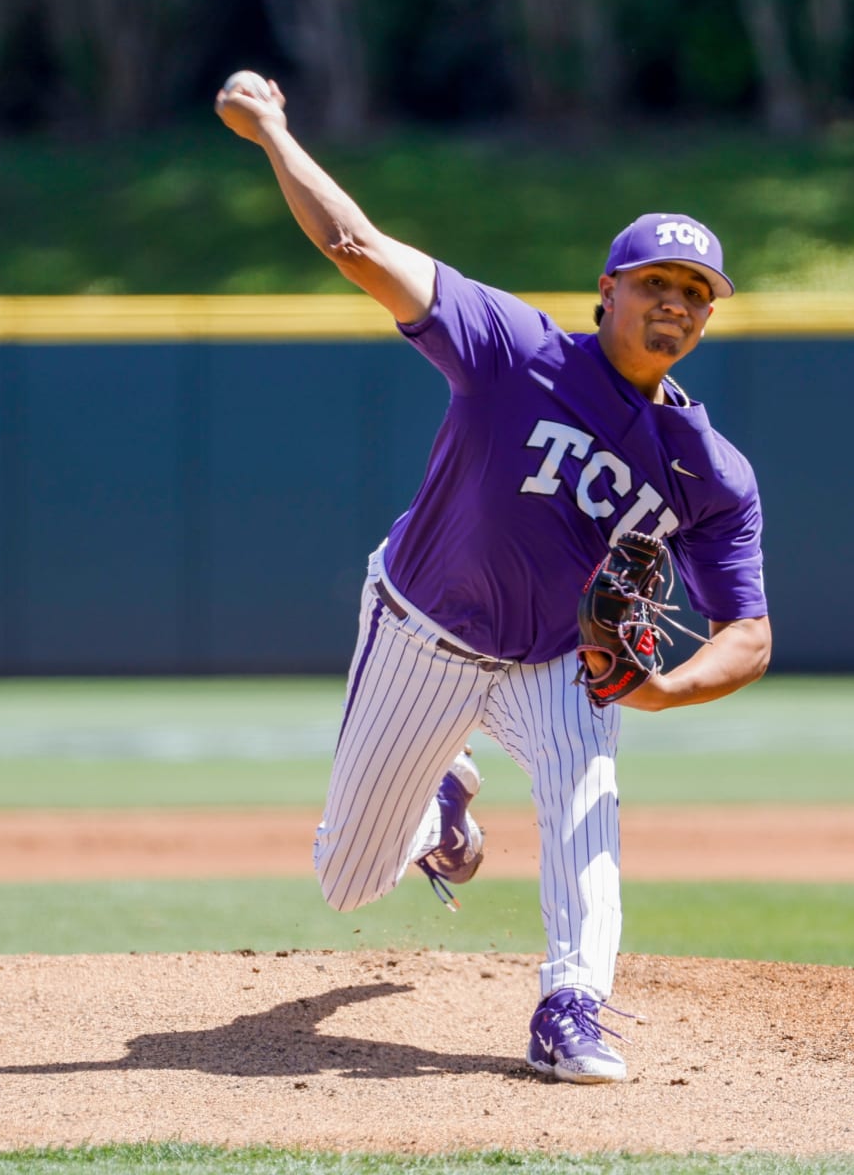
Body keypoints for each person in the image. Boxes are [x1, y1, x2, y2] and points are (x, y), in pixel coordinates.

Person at [215, 74, 771, 1084]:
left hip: (559, 657)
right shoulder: (513, 348)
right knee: (347, 881)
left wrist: (661, 689)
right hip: (420, 627)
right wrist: (274, 137)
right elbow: (358, 249)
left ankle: (571, 1007)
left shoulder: (709, 470)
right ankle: (445, 803)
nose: (677, 305)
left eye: (696, 295)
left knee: (583, 793)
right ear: (608, 288)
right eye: (657, 282)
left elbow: (749, 633)